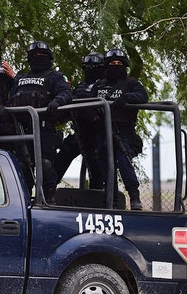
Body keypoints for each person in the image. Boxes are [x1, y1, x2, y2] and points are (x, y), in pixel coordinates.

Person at [8, 41, 72, 203]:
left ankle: (49, 199)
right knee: (23, 166)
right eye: (34, 55)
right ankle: (24, 200)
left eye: (41, 55)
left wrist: (57, 102)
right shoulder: (21, 78)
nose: (38, 58)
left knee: (45, 164)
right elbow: (10, 100)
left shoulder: (56, 77)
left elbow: (66, 94)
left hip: (44, 128)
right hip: (22, 130)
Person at [94, 48, 148, 210]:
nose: (115, 65)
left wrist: (126, 98)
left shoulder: (131, 83)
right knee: (103, 165)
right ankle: (111, 200)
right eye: (112, 63)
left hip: (123, 131)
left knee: (124, 162)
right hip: (103, 131)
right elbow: (87, 101)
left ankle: (134, 197)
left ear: (124, 65)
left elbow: (143, 97)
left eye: (118, 63)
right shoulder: (100, 84)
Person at [54, 52, 104, 186]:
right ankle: (48, 191)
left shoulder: (104, 86)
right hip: (80, 132)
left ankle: (100, 199)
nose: (90, 71)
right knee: (62, 157)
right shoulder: (81, 86)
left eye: (94, 68)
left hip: (97, 134)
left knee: (97, 168)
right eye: (87, 67)